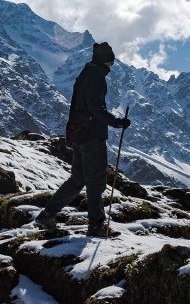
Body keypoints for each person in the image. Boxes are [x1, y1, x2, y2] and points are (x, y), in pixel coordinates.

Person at [36, 42, 130, 236]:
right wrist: (116, 122)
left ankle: (47, 214)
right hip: (92, 136)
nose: (112, 67)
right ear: (107, 61)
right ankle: (96, 226)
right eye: (112, 62)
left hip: (77, 133)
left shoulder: (84, 74)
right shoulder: (97, 76)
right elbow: (96, 107)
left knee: (78, 179)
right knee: (96, 181)